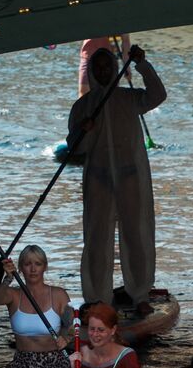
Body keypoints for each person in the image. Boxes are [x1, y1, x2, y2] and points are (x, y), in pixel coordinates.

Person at [68, 44, 166, 314]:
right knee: (97, 240)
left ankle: (140, 294)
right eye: (97, 67)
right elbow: (74, 149)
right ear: (91, 72)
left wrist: (141, 64)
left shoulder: (129, 98)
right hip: (98, 180)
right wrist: (83, 130)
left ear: (114, 69)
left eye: (107, 66)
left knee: (137, 235)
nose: (102, 71)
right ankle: (98, 298)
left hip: (131, 177)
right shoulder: (82, 107)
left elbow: (158, 95)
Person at [0, 245, 73, 368]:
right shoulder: (13, 294)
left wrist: (65, 338)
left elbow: (72, 325)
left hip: (54, 361)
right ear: (20, 268)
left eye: (38, 264)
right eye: (27, 264)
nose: (33, 269)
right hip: (23, 361)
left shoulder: (59, 294)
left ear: (45, 267)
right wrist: (8, 278)